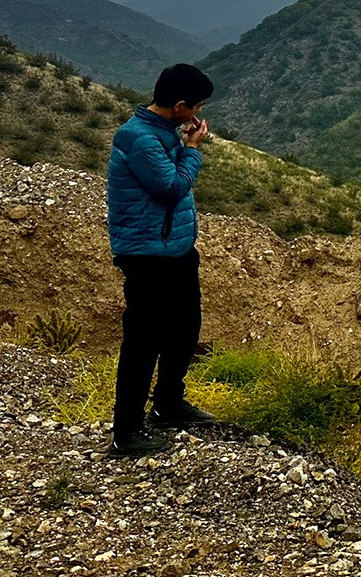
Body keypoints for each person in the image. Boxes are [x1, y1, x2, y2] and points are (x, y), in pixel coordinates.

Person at [105, 62, 218, 457]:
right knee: (143, 341)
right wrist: (191, 151)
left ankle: (169, 403)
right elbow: (170, 188)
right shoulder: (139, 138)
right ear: (180, 105)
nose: (199, 115)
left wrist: (181, 142)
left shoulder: (162, 131)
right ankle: (127, 431)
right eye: (197, 106)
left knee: (186, 327)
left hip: (175, 251)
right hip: (147, 255)